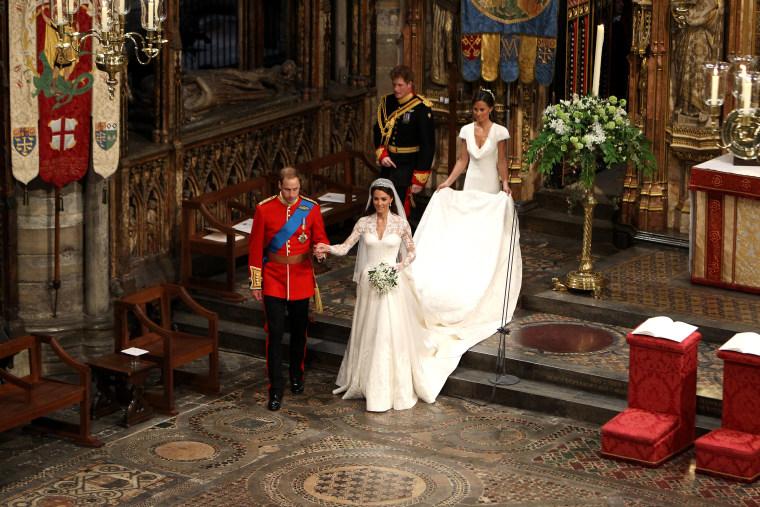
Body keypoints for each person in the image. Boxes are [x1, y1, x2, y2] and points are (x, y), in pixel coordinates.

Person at [314, 179, 459, 412]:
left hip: (392, 283)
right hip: (369, 285)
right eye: (376, 199)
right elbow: (345, 247)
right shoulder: (363, 223)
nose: (379, 203)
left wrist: (398, 267)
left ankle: (390, 386)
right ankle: (367, 381)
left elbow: (412, 253)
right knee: (371, 332)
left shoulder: (401, 224)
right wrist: (328, 248)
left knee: (387, 332)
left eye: (383, 199)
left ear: (391, 199)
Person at [248, 167, 329, 411]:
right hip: (273, 279)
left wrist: (321, 254)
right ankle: (275, 388)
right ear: (279, 187)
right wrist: (256, 282)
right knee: (274, 335)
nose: (292, 194)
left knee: (298, 333)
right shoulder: (264, 209)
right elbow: (254, 248)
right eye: (287, 189)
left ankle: (297, 375)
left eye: (295, 189)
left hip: (302, 278)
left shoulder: (311, 208)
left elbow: (320, 240)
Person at [374, 65, 436, 216]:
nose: (396, 89)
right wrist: (382, 155)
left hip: (408, 167)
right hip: (388, 166)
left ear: (410, 84)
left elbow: (428, 146)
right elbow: (378, 130)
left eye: (400, 85)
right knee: (383, 207)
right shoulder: (387, 102)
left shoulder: (422, 109)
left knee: (401, 210)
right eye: (394, 84)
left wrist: (419, 179)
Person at [437, 88, 511, 194]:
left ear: (491, 108)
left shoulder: (500, 132)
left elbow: (502, 161)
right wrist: (447, 183)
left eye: (482, 109)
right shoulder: (466, 130)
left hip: (490, 185)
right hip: (471, 184)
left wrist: (505, 184)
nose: (478, 113)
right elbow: (462, 160)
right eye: (475, 109)